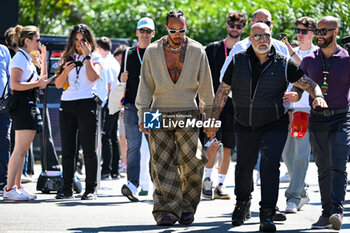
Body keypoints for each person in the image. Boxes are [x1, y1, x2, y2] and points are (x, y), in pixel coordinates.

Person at [207, 22, 327, 232]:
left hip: (274, 123)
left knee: (270, 166)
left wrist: (318, 96)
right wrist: (213, 120)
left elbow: (309, 83)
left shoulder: (283, 62)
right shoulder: (238, 60)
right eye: (257, 36)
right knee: (244, 166)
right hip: (244, 122)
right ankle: (242, 204)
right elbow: (222, 91)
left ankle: (267, 213)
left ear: (271, 37)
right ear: (250, 39)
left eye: (266, 35)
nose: (262, 40)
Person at [136, 10, 214, 226]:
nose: (177, 34)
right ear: (165, 28)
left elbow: (207, 88)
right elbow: (145, 86)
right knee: (160, 163)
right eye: (173, 30)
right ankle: (166, 211)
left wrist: (210, 117)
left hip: (188, 112)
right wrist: (142, 114)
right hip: (156, 112)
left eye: (182, 30)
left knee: (193, 161)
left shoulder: (198, 50)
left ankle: (187, 207)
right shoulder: (152, 51)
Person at [292, 16, 350, 231]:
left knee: (338, 164)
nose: (319, 35)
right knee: (323, 167)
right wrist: (295, 95)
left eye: (324, 31)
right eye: (317, 31)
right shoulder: (309, 60)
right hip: (317, 119)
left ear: (335, 33)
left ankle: (337, 211)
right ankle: (326, 214)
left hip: (342, 117)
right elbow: (300, 85)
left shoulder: (347, 59)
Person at [202, 11, 247, 200]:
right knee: (212, 143)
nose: (235, 29)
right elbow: (202, 77)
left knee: (228, 147)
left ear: (243, 28)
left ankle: (221, 184)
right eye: (232, 25)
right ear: (227, 25)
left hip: (235, 105)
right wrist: (201, 103)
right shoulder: (212, 49)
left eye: (239, 26)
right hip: (213, 103)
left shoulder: (246, 50)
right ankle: (206, 181)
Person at [54, 24, 102, 200]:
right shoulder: (67, 57)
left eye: (82, 40)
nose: (79, 43)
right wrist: (66, 70)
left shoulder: (95, 57)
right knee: (68, 149)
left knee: (89, 148)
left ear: (89, 41)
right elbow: (58, 85)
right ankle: (67, 188)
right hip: (67, 103)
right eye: (76, 40)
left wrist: (87, 57)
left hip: (86, 102)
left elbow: (92, 77)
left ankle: (90, 189)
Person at [3, 25, 50, 201]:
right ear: (27, 40)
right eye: (37, 40)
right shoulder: (19, 59)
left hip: (29, 104)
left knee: (22, 150)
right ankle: (9, 188)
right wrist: (37, 84)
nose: (39, 43)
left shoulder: (28, 59)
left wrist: (43, 60)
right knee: (19, 150)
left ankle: (18, 186)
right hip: (22, 106)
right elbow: (15, 85)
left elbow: (42, 81)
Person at [280, 16, 318, 214]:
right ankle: (301, 192)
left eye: (304, 31)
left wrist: (288, 47)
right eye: (298, 31)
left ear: (313, 33)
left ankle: (293, 197)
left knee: (300, 156)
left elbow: (305, 69)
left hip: (306, 109)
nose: (300, 34)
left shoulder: (315, 54)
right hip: (291, 110)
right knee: (287, 154)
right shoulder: (288, 54)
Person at [120, 17, 155, 202]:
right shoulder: (129, 53)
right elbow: (121, 77)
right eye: (142, 30)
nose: (144, 34)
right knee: (133, 147)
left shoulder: (158, 52)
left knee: (155, 147)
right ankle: (132, 185)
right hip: (132, 105)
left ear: (153, 34)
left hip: (152, 106)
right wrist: (122, 77)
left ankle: (157, 186)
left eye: (148, 31)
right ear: (136, 33)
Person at [96, 36, 121, 180]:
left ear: (100, 48)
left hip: (110, 103)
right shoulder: (113, 62)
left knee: (106, 136)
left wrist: (109, 105)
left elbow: (111, 85)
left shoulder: (106, 63)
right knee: (112, 136)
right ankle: (114, 170)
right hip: (114, 103)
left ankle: (107, 169)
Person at [113, 45, 129, 174]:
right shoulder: (121, 71)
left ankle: (125, 163)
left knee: (123, 137)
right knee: (122, 137)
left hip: (127, 107)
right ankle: (124, 162)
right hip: (124, 107)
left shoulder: (126, 68)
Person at [0, 44, 11, 194]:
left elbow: (8, 76)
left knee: (4, 140)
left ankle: (3, 180)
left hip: (3, 103)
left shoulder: (3, 50)